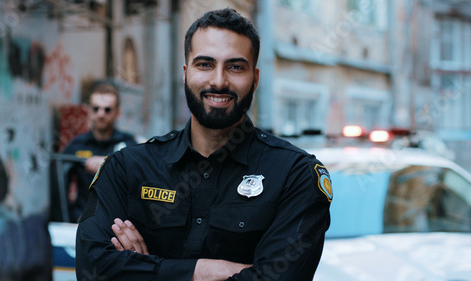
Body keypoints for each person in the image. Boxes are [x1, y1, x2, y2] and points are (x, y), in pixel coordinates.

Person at [76, 8, 332, 280]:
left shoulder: (296, 175)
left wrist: (148, 268)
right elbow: (93, 269)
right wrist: (208, 270)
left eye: (235, 67)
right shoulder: (126, 168)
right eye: (205, 64)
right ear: (185, 73)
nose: (219, 81)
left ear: (255, 79)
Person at [63, 83, 136, 222]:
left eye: (107, 109)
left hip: (119, 226)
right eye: (96, 109)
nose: (101, 114)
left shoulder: (129, 144)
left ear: (117, 113)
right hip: (85, 223)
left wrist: (106, 164)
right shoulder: (76, 146)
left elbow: (141, 178)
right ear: (89, 111)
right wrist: (73, 215)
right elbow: (59, 186)